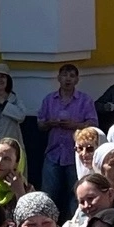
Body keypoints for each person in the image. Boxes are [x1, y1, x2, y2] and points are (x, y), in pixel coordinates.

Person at [35, 63, 99, 211]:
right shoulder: (49, 100)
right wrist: (50, 123)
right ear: (58, 78)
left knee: (77, 193)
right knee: (48, 193)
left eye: (72, 76)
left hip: (76, 155)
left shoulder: (85, 100)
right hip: (53, 153)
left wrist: (74, 125)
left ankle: (75, 225)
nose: (68, 79)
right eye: (64, 75)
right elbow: (40, 125)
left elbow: (93, 124)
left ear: (77, 80)